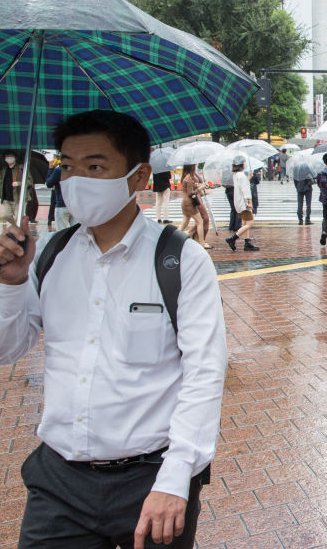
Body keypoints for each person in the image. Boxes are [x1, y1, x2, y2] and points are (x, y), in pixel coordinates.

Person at [0, 109, 227, 549]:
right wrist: (9, 283)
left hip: (151, 480)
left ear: (138, 178)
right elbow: (8, 349)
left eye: (96, 167)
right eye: (67, 166)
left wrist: (177, 476)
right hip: (59, 482)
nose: (76, 180)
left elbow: (204, 373)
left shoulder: (180, 261)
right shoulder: (47, 256)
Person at [225, 156, 259, 252]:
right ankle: (232, 239)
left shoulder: (236, 175)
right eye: (244, 162)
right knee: (250, 223)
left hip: (239, 203)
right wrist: (249, 202)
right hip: (244, 203)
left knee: (244, 223)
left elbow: (242, 186)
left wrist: (248, 177)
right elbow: (245, 190)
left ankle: (247, 243)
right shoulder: (241, 176)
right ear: (242, 164)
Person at [179, 164, 210, 249]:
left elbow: (190, 188)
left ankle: (173, 238)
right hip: (189, 203)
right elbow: (190, 194)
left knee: (184, 222)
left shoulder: (187, 176)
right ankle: (201, 242)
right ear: (191, 167)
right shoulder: (188, 178)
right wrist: (200, 188)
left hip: (185, 203)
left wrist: (198, 185)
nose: (195, 167)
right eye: (194, 166)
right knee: (200, 221)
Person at [0, 153, 36, 226]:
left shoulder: (22, 168)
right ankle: (15, 227)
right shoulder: (3, 169)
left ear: (15, 158)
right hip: (6, 198)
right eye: (7, 156)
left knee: (18, 218)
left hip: (19, 198)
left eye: (11, 156)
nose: (9, 158)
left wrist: (19, 183)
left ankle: (18, 230)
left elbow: (30, 182)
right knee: (4, 215)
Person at [45, 159, 74, 231]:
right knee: (76, 232)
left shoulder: (59, 170)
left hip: (62, 205)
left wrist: (51, 169)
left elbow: (49, 184)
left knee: (61, 233)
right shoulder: (78, 170)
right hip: (76, 206)